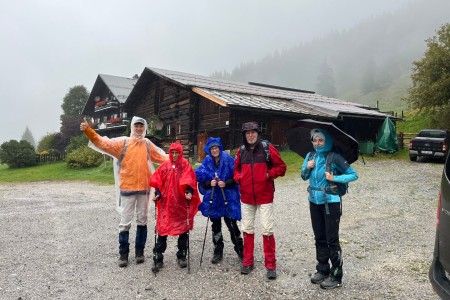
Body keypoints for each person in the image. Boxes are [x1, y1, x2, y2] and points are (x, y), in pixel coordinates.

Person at [79, 116, 168, 267]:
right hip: (127, 189)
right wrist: (88, 130)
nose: (139, 129)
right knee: (125, 223)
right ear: (132, 127)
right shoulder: (124, 143)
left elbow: (161, 157)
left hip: (144, 190)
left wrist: (177, 158)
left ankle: (139, 253)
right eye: (137, 126)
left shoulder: (147, 144)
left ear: (144, 128)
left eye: (141, 126)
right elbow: (103, 143)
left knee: (142, 221)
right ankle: (123, 255)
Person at [300, 128, 358, 289]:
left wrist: (335, 178)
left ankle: (336, 274)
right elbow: (303, 176)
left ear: (327, 141)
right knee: (319, 237)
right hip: (314, 201)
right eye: (315, 140)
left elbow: (353, 175)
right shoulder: (310, 156)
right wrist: (307, 167)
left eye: (321, 140)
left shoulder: (335, 157)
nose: (317, 143)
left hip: (330, 202)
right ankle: (322, 269)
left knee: (332, 239)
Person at [234, 122, 286, 279]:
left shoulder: (267, 149)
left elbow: (282, 167)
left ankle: (270, 265)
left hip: (265, 197)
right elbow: (236, 170)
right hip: (247, 197)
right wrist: (239, 178)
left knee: (267, 230)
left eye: (253, 132)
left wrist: (269, 174)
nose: (250, 135)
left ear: (258, 133)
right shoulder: (241, 151)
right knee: (247, 229)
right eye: (247, 133)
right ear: (244, 135)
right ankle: (248, 262)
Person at [149, 141, 200, 272]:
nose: (175, 155)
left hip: (181, 205)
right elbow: (158, 182)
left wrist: (189, 193)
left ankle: (182, 256)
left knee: (183, 231)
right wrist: (158, 194)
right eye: (173, 152)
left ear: (181, 153)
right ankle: (158, 258)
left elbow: (190, 182)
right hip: (166, 205)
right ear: (170, 153)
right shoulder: (164, 166)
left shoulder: (185, 166)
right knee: (162, 231)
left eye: (177, 152)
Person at [195, 137, 243, 264]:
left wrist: (226, 183)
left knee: (232, 224)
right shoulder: (206, 162)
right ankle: (218, 250)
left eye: (216, 148)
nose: (214, 150)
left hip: (228, 197)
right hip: (214, 199)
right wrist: (208, 183)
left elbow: (237, 177)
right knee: (216, 226)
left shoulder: (228, 160)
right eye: (212, 148)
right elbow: (200, 180)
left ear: (220, 148)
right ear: (209, 150)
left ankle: (240, 249)